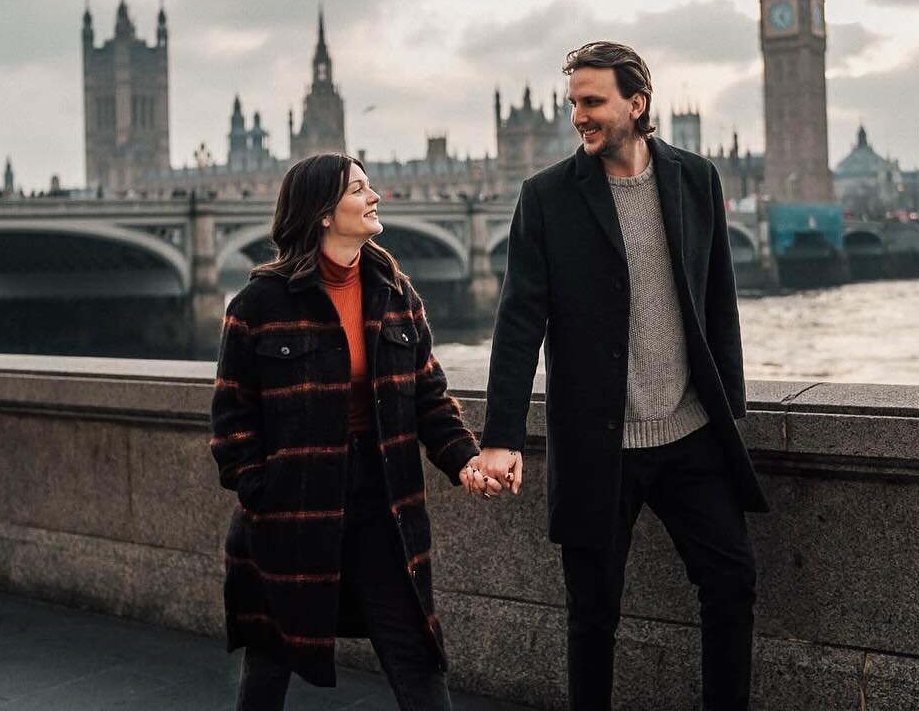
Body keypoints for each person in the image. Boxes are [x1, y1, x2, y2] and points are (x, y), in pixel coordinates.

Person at [476, 42, 769, 710]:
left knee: (732, 584)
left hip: (692, 433)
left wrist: (732, 412)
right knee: (593, 615)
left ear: (636, 104)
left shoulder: (697, 179)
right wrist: (501, 438)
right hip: (599, 443)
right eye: (573, 103)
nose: (579, 116)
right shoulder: (546, 197)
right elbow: (519, 324)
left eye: (592, 102)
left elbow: (717, 299)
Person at [210, 152, 501, 711]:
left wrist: (465, 460)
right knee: (272, 656)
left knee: (415, 651)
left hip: (383, 502)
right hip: (293, 507)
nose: (376, 198)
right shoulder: (258, 304)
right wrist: (261, 492)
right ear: (323, 212)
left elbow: (429, 399)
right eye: (360, 189)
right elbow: (231, 421)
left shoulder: (396, 294)